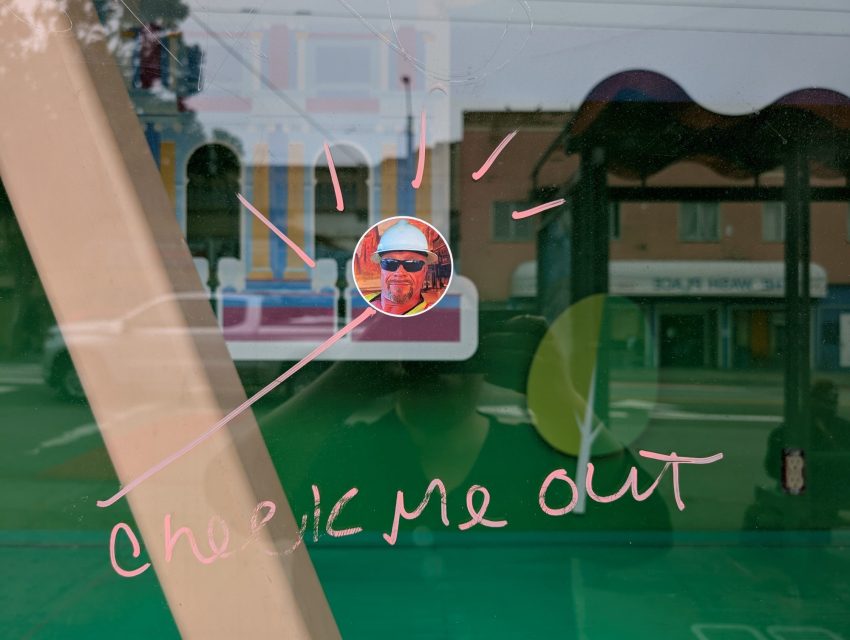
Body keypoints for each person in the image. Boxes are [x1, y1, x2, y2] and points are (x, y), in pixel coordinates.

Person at [367, 219, 437, 316]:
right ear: (380, 268)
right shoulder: (361, 304)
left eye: (412, 264)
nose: (399, 273)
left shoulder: (434, 316)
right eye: (390, 263)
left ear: (425, 270)